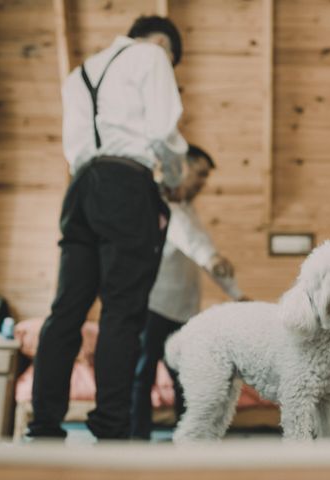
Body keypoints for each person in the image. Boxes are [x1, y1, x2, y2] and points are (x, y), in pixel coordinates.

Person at [26, 16, 187, 440]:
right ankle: (112, 429)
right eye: (172, 57)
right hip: (126, 184)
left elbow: (75, 146)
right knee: (123, 309)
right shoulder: (151, 56)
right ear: (160, 42)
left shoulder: (78, 73)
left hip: (79, 189)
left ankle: (43, 425)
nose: (169, 64)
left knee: (66, 310)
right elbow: (164, 132)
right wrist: (173, 177)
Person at [130, 145, 247, 440]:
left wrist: (237, 295)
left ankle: (190, 439)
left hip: (184, 311)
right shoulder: (161, 204)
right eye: (200, 174)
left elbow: (207, 254)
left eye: (206, 177)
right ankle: (136, 441)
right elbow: (194, 244)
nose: (202, 183)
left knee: (186, 376)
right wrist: (211, 259)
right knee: (141, 375)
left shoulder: (189, 211)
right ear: (182, 166)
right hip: (154, 306)